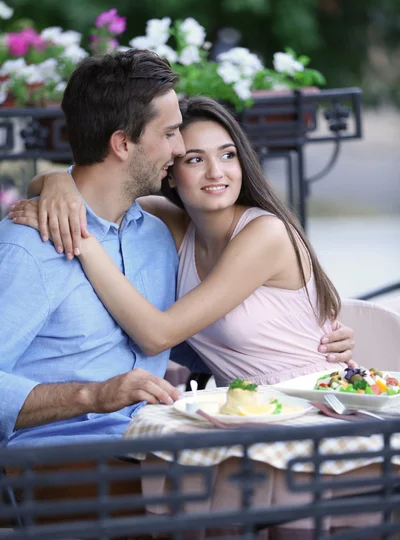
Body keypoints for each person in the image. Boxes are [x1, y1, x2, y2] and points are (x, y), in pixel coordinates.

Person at [10, 95, 355, 388]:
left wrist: (83, 242)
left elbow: (157, 335)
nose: (216, 172)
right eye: (194, 160)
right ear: (170, 174)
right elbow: (97, 194)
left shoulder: (266, 234)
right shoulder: (173, 225)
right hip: (245, 414)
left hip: (315, 400)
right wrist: (56, 182)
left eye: (227, 155)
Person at [0, 49, 188, 449]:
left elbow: (191, 341)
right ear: (122, 143)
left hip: (153, 443)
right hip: (67, 467)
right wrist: (92, 395)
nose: (181, 148)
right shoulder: (28, 245)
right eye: (170, 133)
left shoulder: (157, 237)